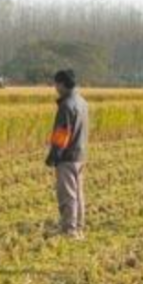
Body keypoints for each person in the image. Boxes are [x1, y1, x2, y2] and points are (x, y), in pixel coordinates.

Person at [46, 69, 89, 239]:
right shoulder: (83, 102)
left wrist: (54, 155)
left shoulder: (66, 105)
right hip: (80, 154)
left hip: (67, 157)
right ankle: (79, 226)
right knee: (78, 194)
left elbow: (62, 134)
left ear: (63, 84)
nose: (55, 87)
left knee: (67, 194)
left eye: (56, 84)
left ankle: (70, 230)